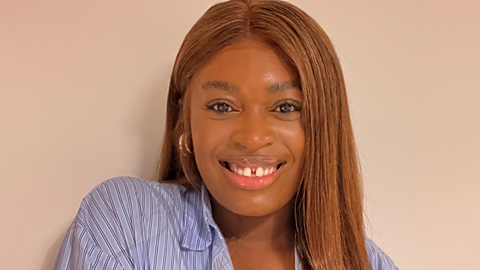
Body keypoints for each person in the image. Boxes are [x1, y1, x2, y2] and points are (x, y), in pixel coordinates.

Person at [54, 0, 398, 269]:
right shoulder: (127, 222)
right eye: (222, 106)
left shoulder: (368, 264)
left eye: (286, 107)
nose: (252, 138)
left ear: (324, 126)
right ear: (184, 123)